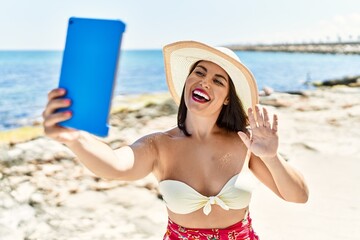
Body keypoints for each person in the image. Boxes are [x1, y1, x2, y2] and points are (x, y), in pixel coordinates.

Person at [42, 41, 309, 240]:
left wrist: (271, 157)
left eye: (218, 81)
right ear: (187, 82)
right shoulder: (159, 145)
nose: (205, 82)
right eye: (199, 73)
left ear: (227, 97)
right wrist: (75, 139)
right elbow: (115, 165)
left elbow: (298, 196)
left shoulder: (245, 142)